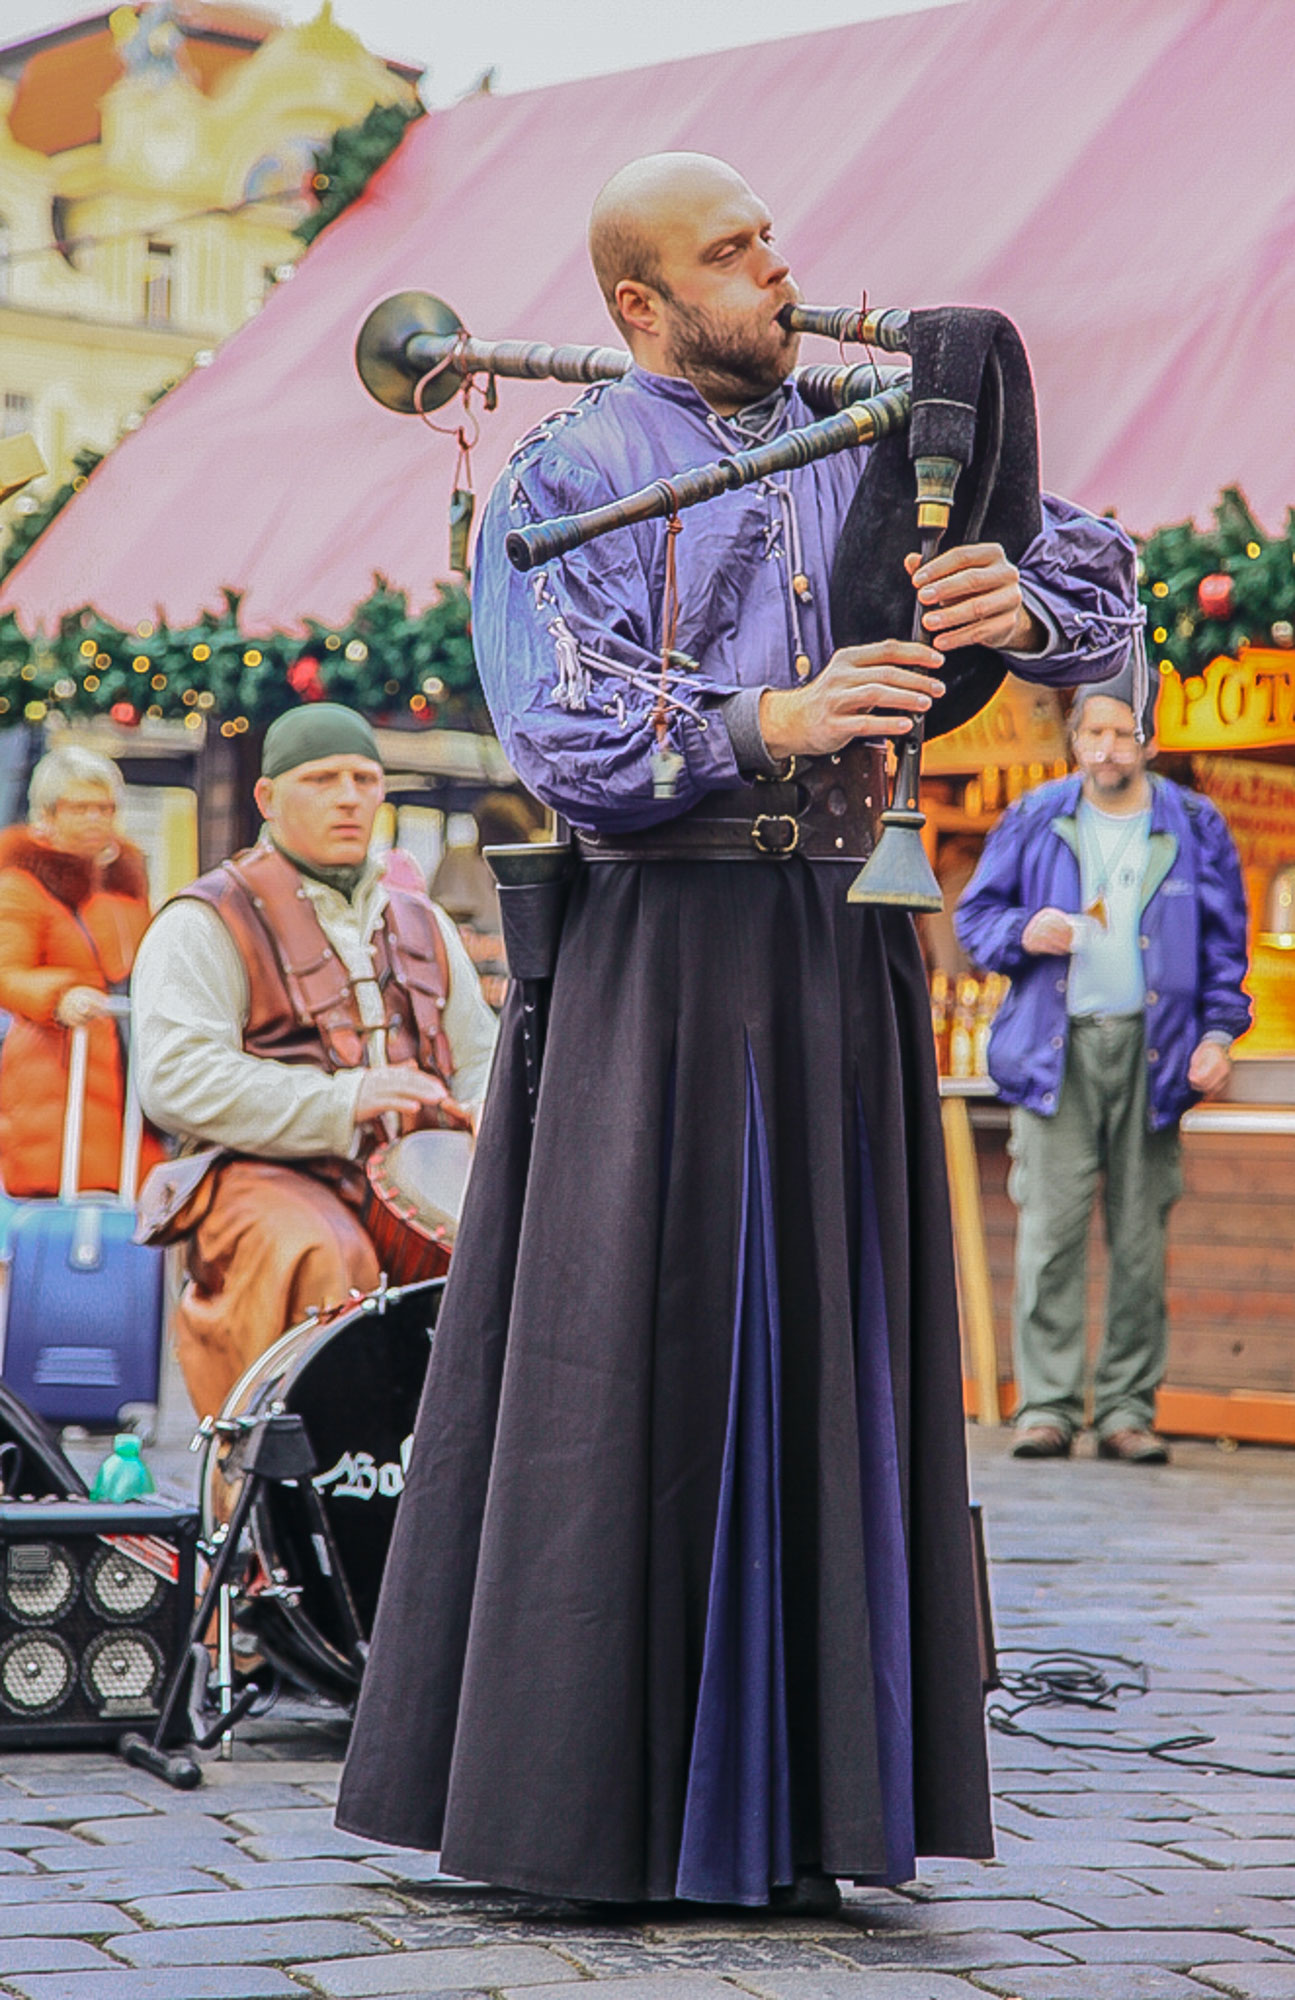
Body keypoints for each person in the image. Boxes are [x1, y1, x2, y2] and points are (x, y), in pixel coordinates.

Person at [338, 153, 1138, 1908]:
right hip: (662, 963)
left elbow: (1101, 573)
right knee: (637, 1360)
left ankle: (806, 1814)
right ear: (641, 302)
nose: (777, 270)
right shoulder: (567, 470)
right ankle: (599, 1812)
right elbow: (561, 727)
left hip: (840, 949)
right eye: (731, 252)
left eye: (772, 239)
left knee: (830, 1355)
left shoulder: (875, 431)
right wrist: (774, 714)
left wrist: (1023, 607)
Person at [131, 704, 498, 1420]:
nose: (349, 797)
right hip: (259, 1178)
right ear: (267, 798)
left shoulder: (423, 921)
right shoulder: (206, 918)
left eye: (364, 778)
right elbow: (175, 1079)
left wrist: (487, 1109)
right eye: (322, 779)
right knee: (321, 1253)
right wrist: (345, 1099)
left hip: (407, 1187)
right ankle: (278, 1476)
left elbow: (480, 1058)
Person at [954, 663, 1250, 1464]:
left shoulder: (1193, 824)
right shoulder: (1033, 815)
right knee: (1048, 1236)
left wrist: (1217, 1035)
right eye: (1093, 732)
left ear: (1146, 741)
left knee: (1138, 1242)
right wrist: (1023, 932)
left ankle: (1125, 1410)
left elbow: (1225, 950)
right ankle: (1045, 1407)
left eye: (1122, 732)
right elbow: (975, 917)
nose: (1107, 747)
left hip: (1156, 1055)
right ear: (1074, 738)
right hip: (1056, 1052)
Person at [0, 745, 162, 1198]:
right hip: (56, 1071)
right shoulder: (21, 886)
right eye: (80, 808)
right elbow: (7, 972)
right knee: (61, 1200)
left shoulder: (124, 885)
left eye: (105, 808)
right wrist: (61, 996)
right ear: (47, 812)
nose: (95, 819)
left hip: (124, 1067)